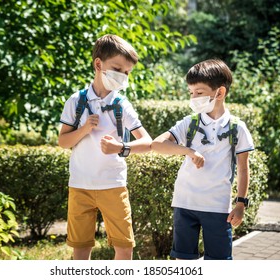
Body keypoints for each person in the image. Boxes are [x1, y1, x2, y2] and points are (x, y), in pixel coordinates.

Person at [58, 34, 152, 260]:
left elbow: (147, 142)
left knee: (124, 248)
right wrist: (83, 130)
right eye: (117, 69)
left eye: (127, 73)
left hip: (113, 185)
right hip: (80, 186)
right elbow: (63, 142)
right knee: (80, 249)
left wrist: (121, 147)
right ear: (98, 64)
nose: (122, 77)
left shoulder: (122, 104)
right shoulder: (76, 101)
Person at [151, 59, 254, 260]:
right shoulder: (188, 123)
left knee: (218, 262)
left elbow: (243, 169)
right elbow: (157, 144)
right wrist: (188, 151)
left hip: (218, 208)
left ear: (220, 93)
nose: (193, 98)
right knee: (183, 261)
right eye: (191, 93)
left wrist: (240, 204)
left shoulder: (237, 128)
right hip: (184, 203)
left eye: (199, 92)